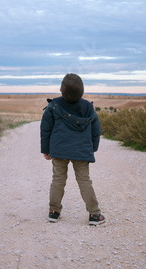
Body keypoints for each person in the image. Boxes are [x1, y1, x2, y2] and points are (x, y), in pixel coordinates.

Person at [40, 73, 105, 225]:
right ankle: (94, 215)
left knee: (58, 180)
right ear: (82, 91)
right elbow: (96, 132)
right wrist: (92, 149)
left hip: (58, 151)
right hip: (82, 152)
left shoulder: (53, 106)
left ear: (60, 90)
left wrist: (46, 149)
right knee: (84, 181)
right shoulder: (89, 108)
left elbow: (45, 130)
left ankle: (54, 212)